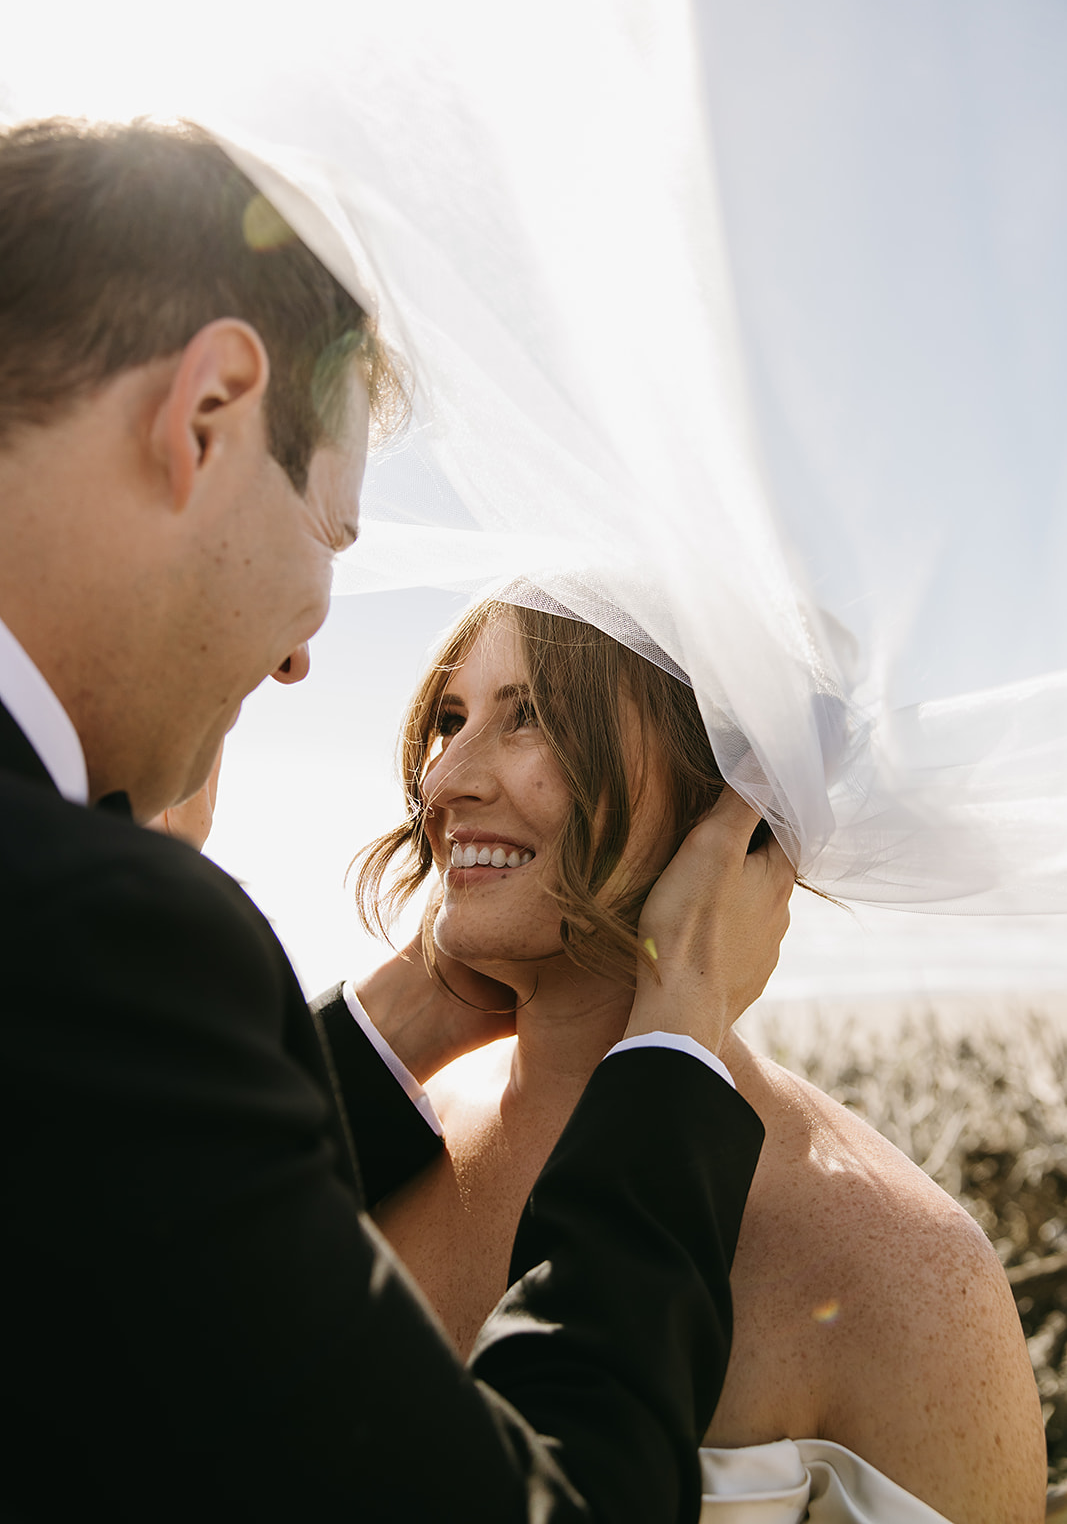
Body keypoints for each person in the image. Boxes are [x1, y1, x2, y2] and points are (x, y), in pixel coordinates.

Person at [0, 115, 794, 1523]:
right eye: (334, 534)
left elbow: (100, 1212)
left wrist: (416, 1009)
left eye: (528, 714)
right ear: (207, 415)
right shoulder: (87, 925)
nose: (306, 651)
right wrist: (674, 1040)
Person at [352, 596, 1047, 1524]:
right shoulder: (375, 1124)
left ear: (728, 797)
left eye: (535, 718)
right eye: (450, 719)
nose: (442, 783)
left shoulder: (911, 1277)